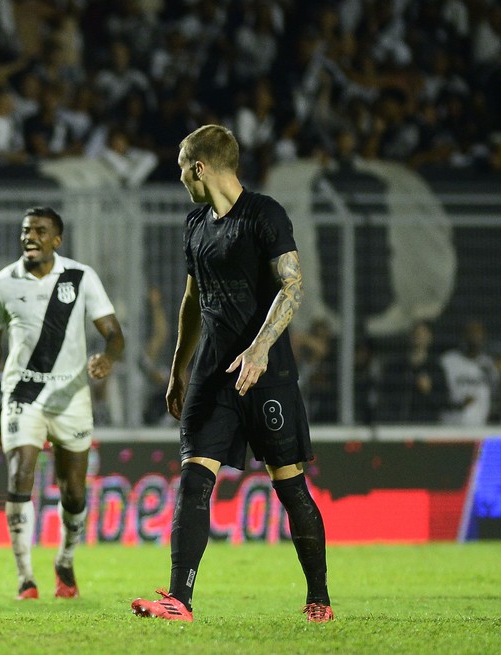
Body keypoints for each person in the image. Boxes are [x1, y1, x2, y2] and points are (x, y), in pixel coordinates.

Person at [131, 125, 334, 623]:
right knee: (193, 480)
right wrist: (179, 370)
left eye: (181, 167)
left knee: (290, 487)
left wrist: (261, 349)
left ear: (198, 167)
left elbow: (292, 287)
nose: (179, 177)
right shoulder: (195, 224)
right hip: (212, 376)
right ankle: (180, 599)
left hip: (268, 374)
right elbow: (191, 300)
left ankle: (319, 598)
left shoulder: (265, 215)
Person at [0, 206, 125, 600]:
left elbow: (114, 333)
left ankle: (64, 558)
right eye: (26, 230)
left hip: (71, 395)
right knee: (20, 474)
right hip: (22, 394)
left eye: (40, 231)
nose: (31, 237)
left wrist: (108, 357)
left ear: (56, 240)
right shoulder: (2, 283)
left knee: (73, 491)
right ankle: (25, 577)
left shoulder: (80, 277)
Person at [439, 319, 499, 426]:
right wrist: (459, 404)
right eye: (471, 333)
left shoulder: (488, 366)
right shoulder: (448, 361)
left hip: (479, 431)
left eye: (478, 334)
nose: (474, 338)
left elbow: (495, 397)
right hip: (449, 428)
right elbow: (436, 397)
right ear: (464, 336)